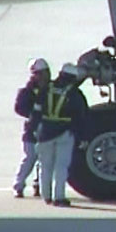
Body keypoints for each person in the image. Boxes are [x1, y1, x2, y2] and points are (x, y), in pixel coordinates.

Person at [31, 63, 88, 207]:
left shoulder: (46, 89)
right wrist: (83, 138)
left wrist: (33, 130)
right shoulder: (75, 93)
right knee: (61, 167)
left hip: (44, 132)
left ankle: (46, 196)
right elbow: (81, 118)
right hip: (64, 133)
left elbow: (36, 111)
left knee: (46, 166)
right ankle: (59, 197)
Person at [13, 58, 51, 198]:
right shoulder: (27, 91)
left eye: (45, 72)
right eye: (39, 73)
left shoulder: (51, 89)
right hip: (32, 130)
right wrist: (33, 112)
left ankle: (39, 185)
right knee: (30, 158)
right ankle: (18, 185)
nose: (43, 76)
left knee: (44, 160)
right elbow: (19, 108)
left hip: (47, 130)